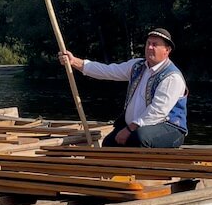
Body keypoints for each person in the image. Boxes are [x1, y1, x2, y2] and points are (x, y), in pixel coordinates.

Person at [59, 27, 188, 148]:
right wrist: (74, 62)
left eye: (155, 44)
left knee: (140, 137)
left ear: (167, 50)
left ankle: (144, 169)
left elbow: (157, 112)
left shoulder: (171, 77)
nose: (149, 47)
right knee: (109, 142)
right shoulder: (137, 66)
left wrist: (129, 129)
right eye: (148, 43)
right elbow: (108, 71)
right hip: (137, 127)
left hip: (169, 129)